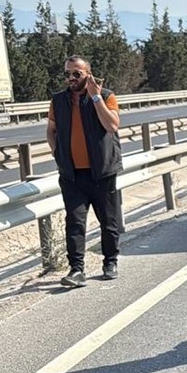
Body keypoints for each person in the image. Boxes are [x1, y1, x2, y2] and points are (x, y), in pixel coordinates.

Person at [46, 56, 123, 288]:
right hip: (72, 175)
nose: (71, 78)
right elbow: (51, 130)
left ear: (88, 74)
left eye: (76, 74)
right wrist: (57, 153)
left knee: (108, 221)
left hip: (102, 172)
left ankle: (110, 261)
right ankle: (76, 270)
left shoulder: (106, 96)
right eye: (67, 74)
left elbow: (112, 125)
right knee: (75, 222)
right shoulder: (58, 101)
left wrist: (96, 96)